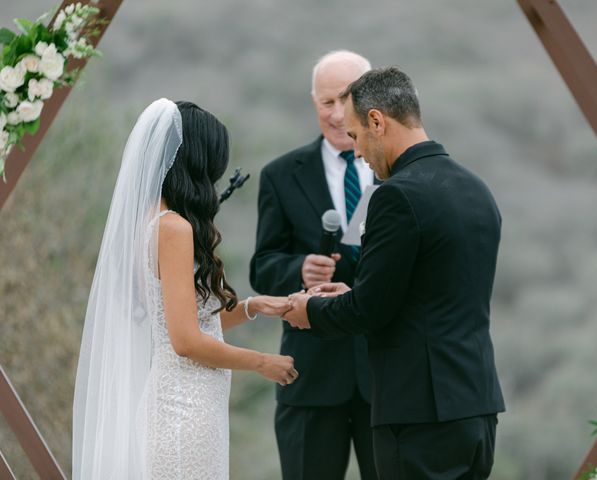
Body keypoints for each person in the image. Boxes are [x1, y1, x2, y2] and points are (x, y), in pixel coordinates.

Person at [285, 67, 505, 480]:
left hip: (420, 413)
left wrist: (309, 311)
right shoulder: (477, 189)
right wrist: (352, 292)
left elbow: (369, 310)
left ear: (376, 121)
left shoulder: (396, 196)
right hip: (477, 406)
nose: (356, 151)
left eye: (354, 136)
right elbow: (430, 293)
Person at [73, 99, 298, 479]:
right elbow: (185, 341)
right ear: (196, 160)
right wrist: (262, 362)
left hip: (188, 404)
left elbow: (188, 324)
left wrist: (252, 306)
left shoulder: (149, 223)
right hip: (183, 409)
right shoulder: (173, 228)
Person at [249, 50, 378, 480]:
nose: (339, 114)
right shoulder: (280, 175)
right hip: (310, 374)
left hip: (386, 374)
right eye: (327, 102)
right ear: (313, 103)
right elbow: (263, 265)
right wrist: (299, 271)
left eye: (348, 98)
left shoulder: (399, 171)